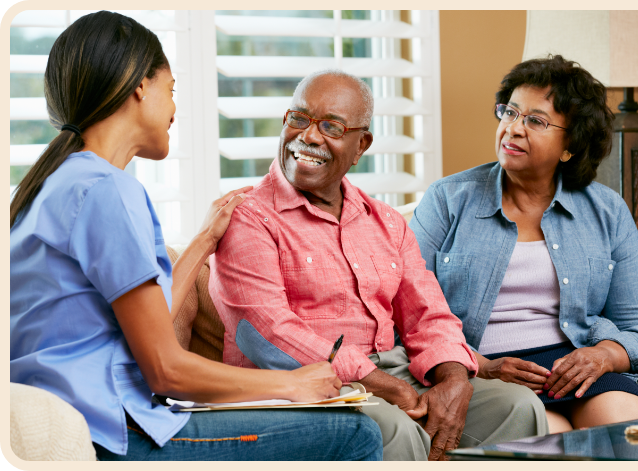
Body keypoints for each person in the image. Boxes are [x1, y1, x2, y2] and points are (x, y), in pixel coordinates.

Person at [9, 11, 382, 461]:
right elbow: (166, 369)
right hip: (116, 433)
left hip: (78, 419)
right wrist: (291, 383)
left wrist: (206, 239)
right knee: (355, 434)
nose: (173, 109)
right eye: (171, 91)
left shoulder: (55, 184)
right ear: (140, 87)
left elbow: (150, 329)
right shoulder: (108, 190)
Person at [209, 69, 549, 462]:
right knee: (393, 428)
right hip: (305, 387)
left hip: (394, 373)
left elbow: (429, 315)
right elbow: (266, 334)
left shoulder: (385, 221)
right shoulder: (249, 217)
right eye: (299, 119)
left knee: (517, 407)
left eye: (331, 127)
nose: (309, 136)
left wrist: (453, 379)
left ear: (361, 145)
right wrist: (386, 387)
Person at [409, 55, 638, 433]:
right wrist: (479, 365)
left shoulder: (606, 210)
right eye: (510, 113)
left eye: (535, 121)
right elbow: (408, 313)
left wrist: (604, 355)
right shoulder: (448, 200)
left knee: (628, 430)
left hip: (577, 367)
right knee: (552, 440)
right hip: (485, 369)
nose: (513, 129)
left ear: (570, 146)